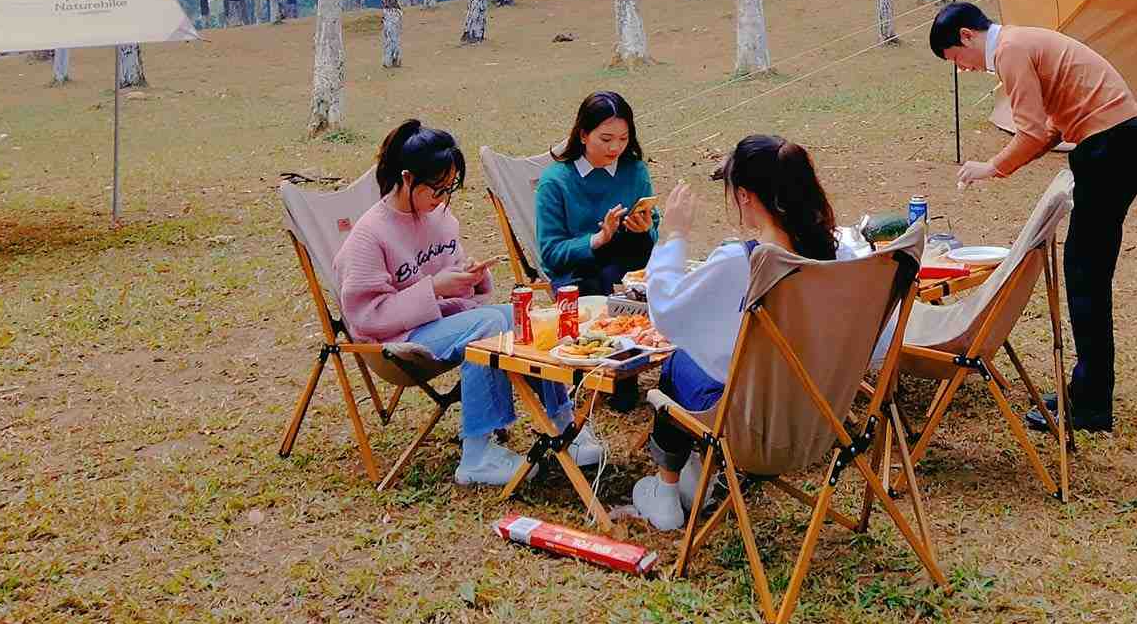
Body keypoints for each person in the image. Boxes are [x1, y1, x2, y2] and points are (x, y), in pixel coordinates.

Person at [336, 118, 601, 485]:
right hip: (394, 341)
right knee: (488, 329)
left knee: (528, 317)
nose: (443, 199)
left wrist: (470, 276)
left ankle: (562, 422)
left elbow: (454, 273)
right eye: (437, 189)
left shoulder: (439, 215)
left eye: (449, 189)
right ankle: (476, 454)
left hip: (444, 321)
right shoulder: (369, 235)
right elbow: (365, 317)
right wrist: (435, 289)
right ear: (408, 178)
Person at [931, 1, 1137, 433]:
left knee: (1086, 278)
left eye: (956, 60)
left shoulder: (1009, 50)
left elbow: (1030, 132)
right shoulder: (1021, 42)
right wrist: (1006, 164)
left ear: (966, 37)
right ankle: (1088, 390)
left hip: (1110, 147)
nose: (964, 69)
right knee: (1087, 275)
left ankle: (1089, 407)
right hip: (1116, 143)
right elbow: (1050, 128)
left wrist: (990, 167)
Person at [631, 134, 857, 532]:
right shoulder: (842, 258)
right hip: (822, 421)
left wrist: (676, 235)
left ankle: (666, 493)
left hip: (750, 431)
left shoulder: (743, 262)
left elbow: (666, 309)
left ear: (747, 196)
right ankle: (697, 474)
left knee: (681, 362)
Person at [535, 91, 657, 295]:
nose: (615, 147)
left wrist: (645, 229)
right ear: (583, 135)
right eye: (606, 139)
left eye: (623, 138)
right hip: (578, 278)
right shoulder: (555, 181)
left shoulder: (635, 172)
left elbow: (653, 236)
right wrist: (598, 239)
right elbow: (551, 253)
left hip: (633, 273)